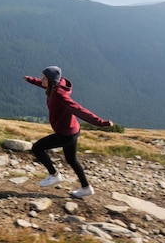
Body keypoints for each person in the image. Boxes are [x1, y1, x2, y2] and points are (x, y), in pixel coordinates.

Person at [23, 66, 113, 198]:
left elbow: (79, 110)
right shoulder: (53, 87)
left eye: (44, 78)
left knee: (37, 148)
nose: (42, 79)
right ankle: (86, 188)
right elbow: (44, 85)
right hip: (72, 130)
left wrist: (101, 123)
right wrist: (31, 80)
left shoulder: (59, 95)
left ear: (51, 81)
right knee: (71, 160)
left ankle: (54, 175)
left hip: (66, 134)